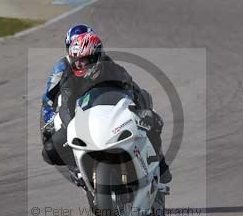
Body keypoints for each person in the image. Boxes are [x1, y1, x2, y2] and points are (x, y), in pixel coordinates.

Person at [41, 30, 172, 184]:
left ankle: (160, 164)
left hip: (115, 118)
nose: (80, 65)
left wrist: (143, 111)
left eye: (84, 60)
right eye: (77, 61)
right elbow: (65, 107)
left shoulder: (114, 70)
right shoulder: (69, 79)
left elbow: (137, 93)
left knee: (153, 119)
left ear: (96, 57)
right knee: (50, 150)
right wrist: (71, 128)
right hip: (85, 122)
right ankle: (77, 170)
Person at [40, 24, 93, 131]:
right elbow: (47, 99)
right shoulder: (62, 67)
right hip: (70, 108)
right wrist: (51, 118)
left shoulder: (103, 60)